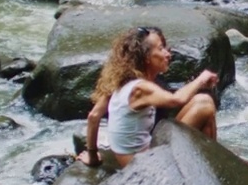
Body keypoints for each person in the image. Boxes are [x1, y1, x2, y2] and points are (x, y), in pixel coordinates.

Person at [78, 26, 221, 169]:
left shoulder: (121, 81)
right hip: (140, 165)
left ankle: (212, 165)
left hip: (140, 153)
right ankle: (214, 168)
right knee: (205, 106)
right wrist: (201, 79)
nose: (168, 54)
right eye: (160, 49)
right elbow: (176, 100)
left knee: (202, 100)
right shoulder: (140, 88)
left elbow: (93, 116)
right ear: (146, 57)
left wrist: (92, 156)